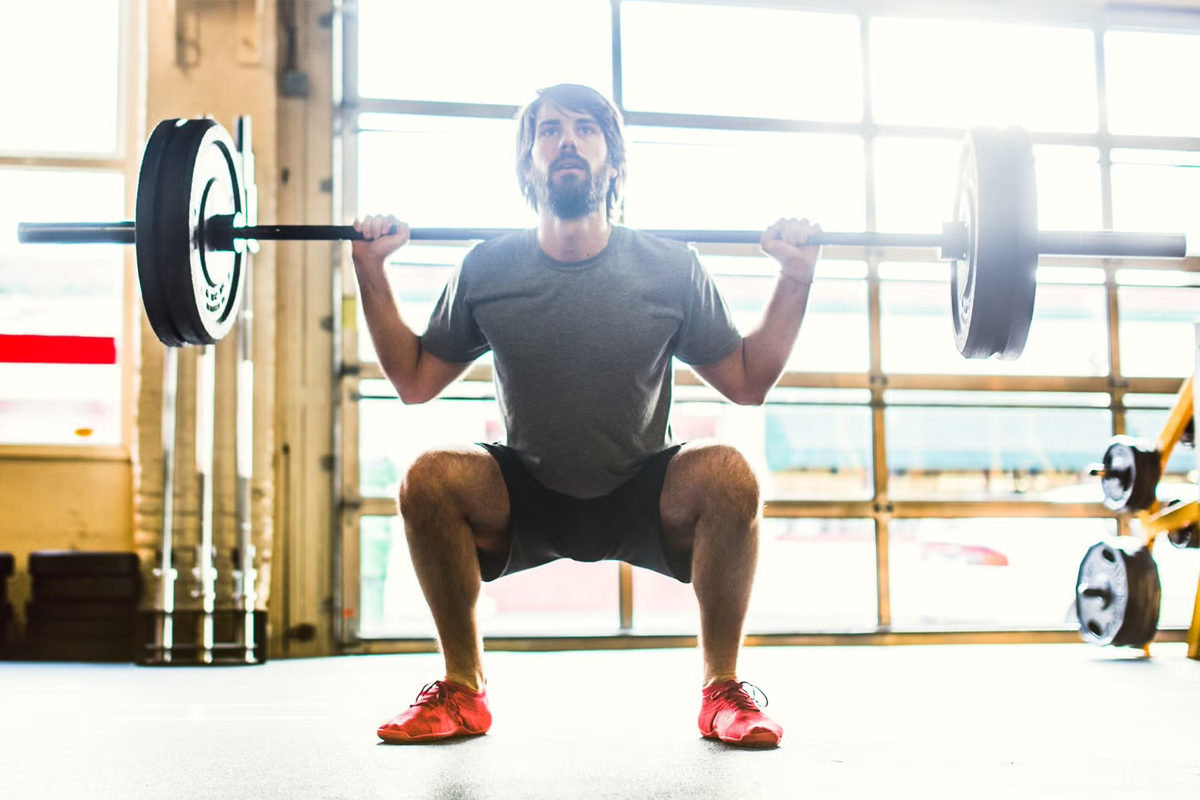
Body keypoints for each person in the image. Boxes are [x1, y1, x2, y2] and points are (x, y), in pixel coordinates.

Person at [351, 83, 820, 749]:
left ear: (615, 162)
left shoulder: (669, 268)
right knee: (428, 477)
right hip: (526, 494)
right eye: (548, 131)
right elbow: (415, 379)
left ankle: (723, 692)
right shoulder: (488, 267)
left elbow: (747, 381)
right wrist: (370, 270)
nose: (566, 141)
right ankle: (461, 690)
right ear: (528, 165)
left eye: (585, 129)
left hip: (643, 491)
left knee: (729, 474)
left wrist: (795, 277)